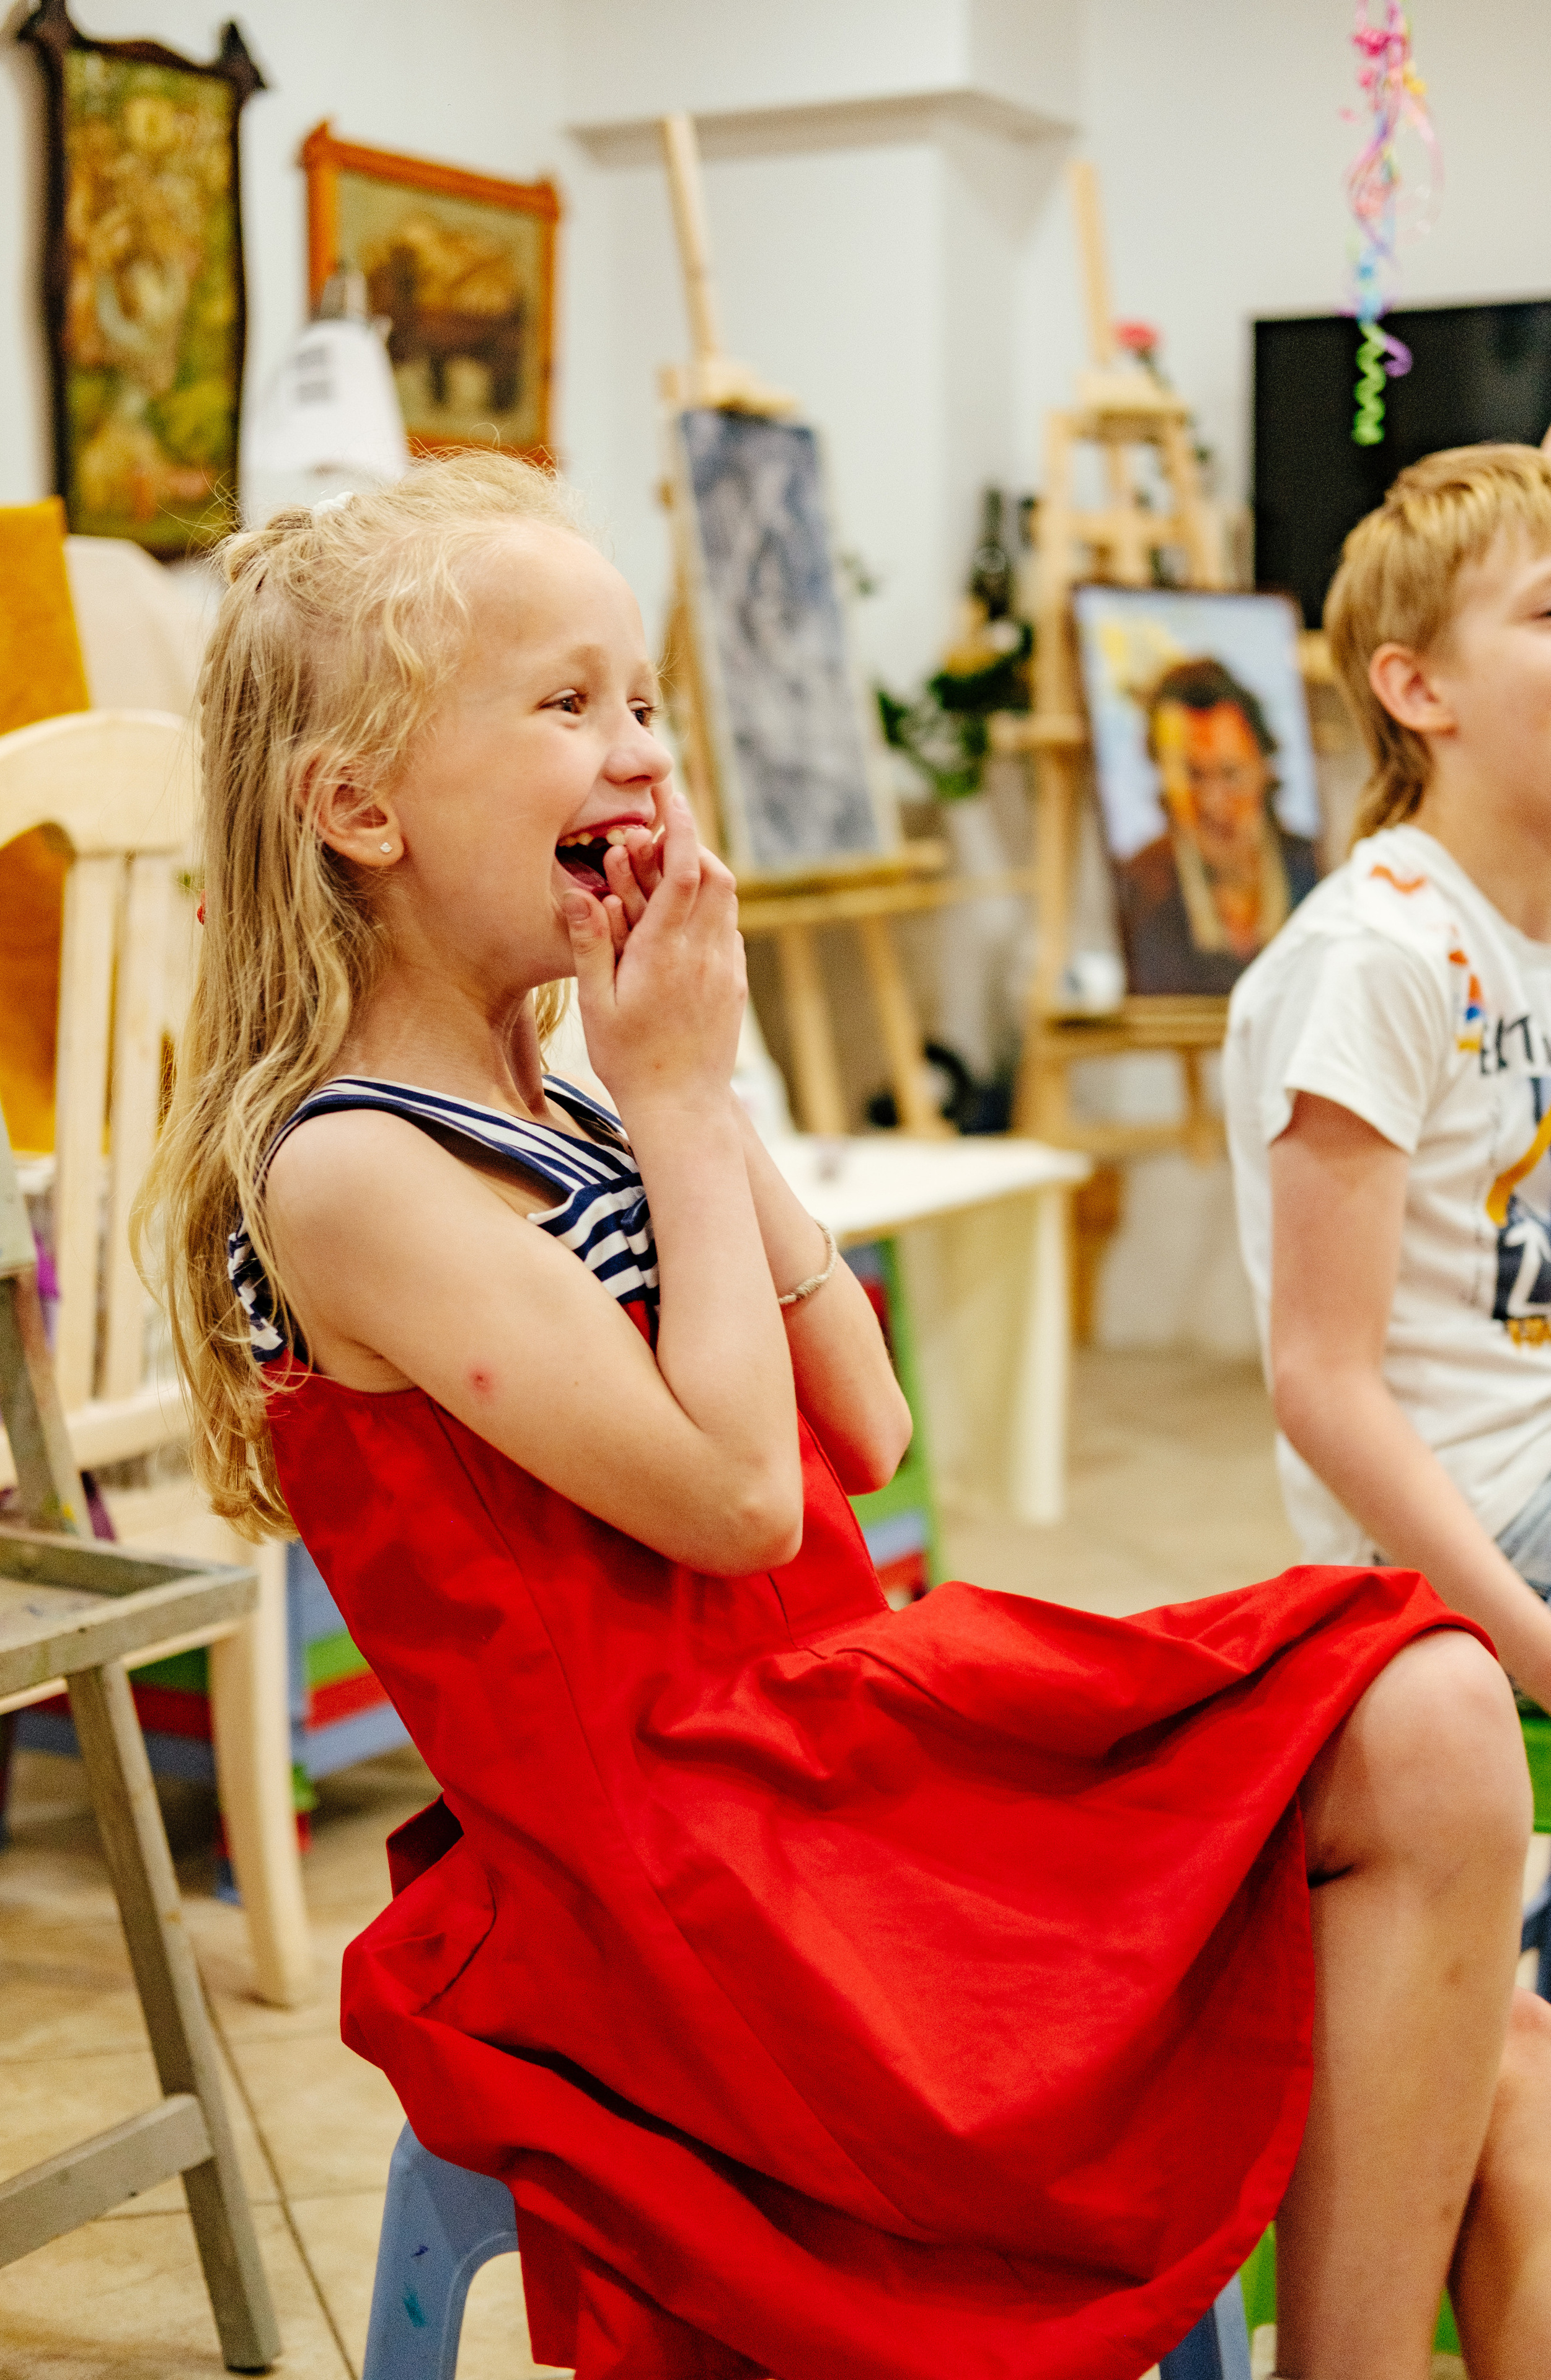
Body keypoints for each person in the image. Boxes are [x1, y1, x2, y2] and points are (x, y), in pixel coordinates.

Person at [142, 453, 1551, 2380]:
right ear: (360, 807)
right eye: (565, 703)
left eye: (646, 699)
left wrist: (689, 1096)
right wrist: (673, 1095)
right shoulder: (351, 1172)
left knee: (1446, 1755)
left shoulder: (574, 1102)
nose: (640, 751)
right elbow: (740, 1496)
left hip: (824, 1737)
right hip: (689, 1866)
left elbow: (866, 1427)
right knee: (1429, 1817)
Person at [1225, 444, 1551, 1719]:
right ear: (1417, 688)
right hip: (1466, 1526)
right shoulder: (1375, 957)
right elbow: (1322, 1384)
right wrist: (1534, 1650)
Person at [1120, 656, 1317, 995]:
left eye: (1230, 773)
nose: (1213, 802)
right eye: (1193, 776)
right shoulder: (1136, 894)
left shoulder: (1317, 872)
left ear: (1264, 769)